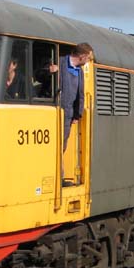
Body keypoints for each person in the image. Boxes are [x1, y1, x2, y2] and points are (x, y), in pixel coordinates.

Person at [46, 43, 94, 186]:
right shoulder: (59, 62)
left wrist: (77, 115)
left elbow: (80, 94)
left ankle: (59, 177)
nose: (88, 61)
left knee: (63, 146)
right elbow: (39, 75)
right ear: (82, 56)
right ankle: (55, 177)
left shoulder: (78, 71)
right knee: (54, 146)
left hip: (68, 114)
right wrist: (49, 71)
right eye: (89, 58)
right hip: (55, 111)